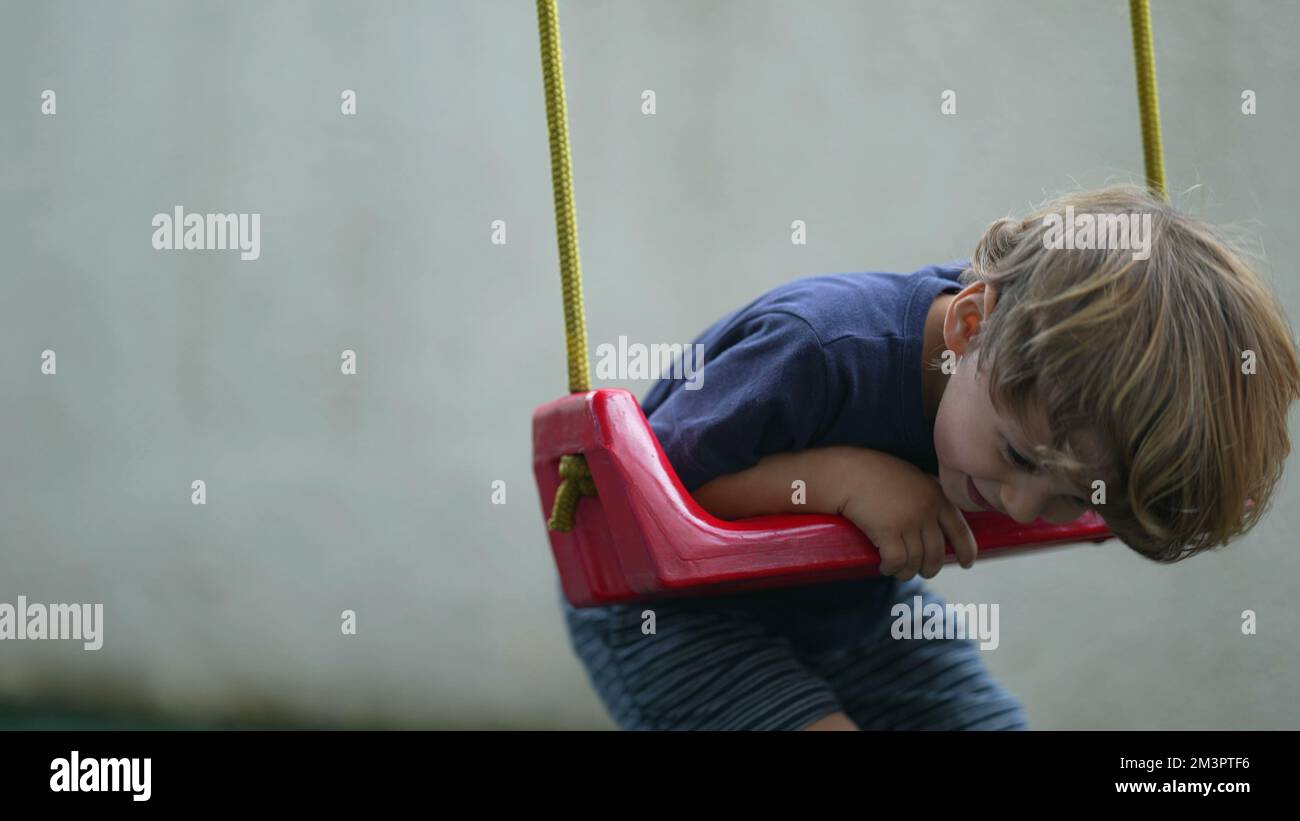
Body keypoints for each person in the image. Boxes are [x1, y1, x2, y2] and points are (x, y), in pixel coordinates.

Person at [562, 184, 1300, 730]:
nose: (1017, 504)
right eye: (1015, 455)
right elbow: (643, 498)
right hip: (669, 610)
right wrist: (840, 480)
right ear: (971, 323)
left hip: (849, 602)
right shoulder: (816, 348)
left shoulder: (1030, 353)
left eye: (1075, 496)